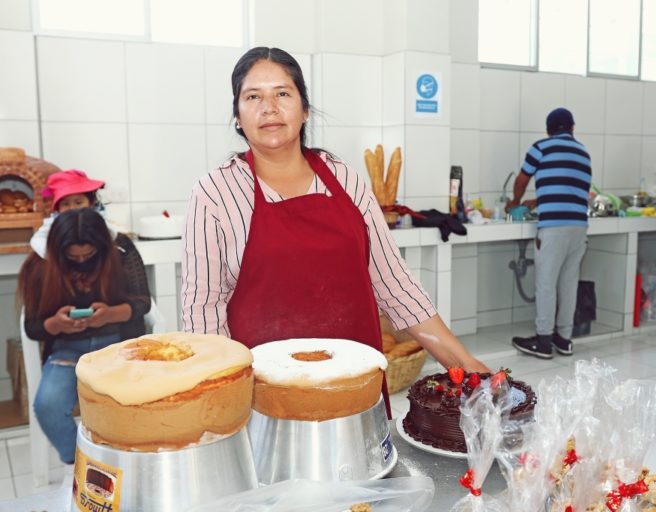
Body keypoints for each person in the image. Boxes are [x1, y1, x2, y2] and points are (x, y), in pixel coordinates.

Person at [181, 47, 489, 413]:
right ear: (237, 115)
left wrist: (464, 363)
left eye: (282, 93)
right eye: (253, 96)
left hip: (356, 392)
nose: (269, 107)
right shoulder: (215, 194)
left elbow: (396, 284)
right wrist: (223, 408)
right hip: (264, 404)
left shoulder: (343, 178)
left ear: (305, 109)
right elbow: (203, 314)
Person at [17, 209, 150, 463]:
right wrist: (56, 324)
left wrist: (109, 314)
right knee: (48, 406)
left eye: (88, 255)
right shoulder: (40, 263)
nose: (81, 262)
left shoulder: (121, 249)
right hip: (67, 350)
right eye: (72, 256)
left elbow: (143, 303)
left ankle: (125, 461)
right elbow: (33, 328)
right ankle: (84, 464)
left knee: (128, 404)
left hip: (118, 346)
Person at [506, 107, 591, 359]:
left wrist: (515, 201)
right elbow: (568, 189)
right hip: (579, 227)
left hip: (553, 228)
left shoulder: (541, 147)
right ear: (572, 128)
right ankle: (563, 339)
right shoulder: (583, 152)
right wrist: (536, 202)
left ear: (548, 130)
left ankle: (543, 341)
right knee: (568, 282)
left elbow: (522, 180)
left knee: (546, 283)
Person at [31, 169, 118, 259]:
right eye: (65, 204)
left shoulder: (97, 218)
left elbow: (111, 233)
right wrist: (52, 255)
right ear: (58, 207)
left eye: (78, 202)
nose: (72, 208)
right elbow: (37, 239)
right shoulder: (53, 222)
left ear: (91, 202)